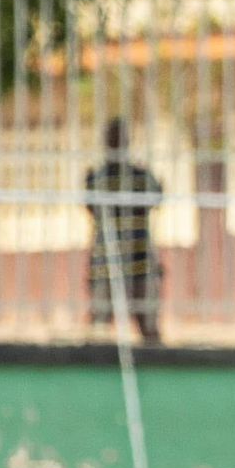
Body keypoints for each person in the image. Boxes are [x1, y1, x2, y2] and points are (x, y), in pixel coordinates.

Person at [85, 118, 162, 342]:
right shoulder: (98, 176)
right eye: (113, 138)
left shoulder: (138, 175)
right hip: (106, 257)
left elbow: (155, 198)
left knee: (148, 324)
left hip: (139, 257)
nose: (117, 142)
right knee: (100, 324)